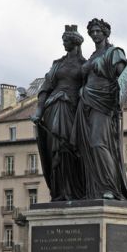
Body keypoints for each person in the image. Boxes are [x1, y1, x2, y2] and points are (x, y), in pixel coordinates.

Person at [73, 18, 127, 201]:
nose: (94, 34)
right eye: (92, 31)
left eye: (98, 31)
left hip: (104, 102)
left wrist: (117, 99)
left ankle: (109, 187)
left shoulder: (113, 53)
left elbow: (125, 76)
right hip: (86, 101)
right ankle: (94, 189)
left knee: (98, 143)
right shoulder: (93, 56)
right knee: (86, 146)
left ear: (106, 33)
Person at [31, 25, 86, 201]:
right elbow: (45, 87)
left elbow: (89, 88)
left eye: (66, 40)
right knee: (55, 149)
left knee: (68, 148)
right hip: (53, 108)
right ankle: (59, 190)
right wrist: (39, 111)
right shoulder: (57, 64)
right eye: (63, 40)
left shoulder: (85, 65)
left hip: (73, 109)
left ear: (75, 43)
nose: (63, 44)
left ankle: (73, 190)